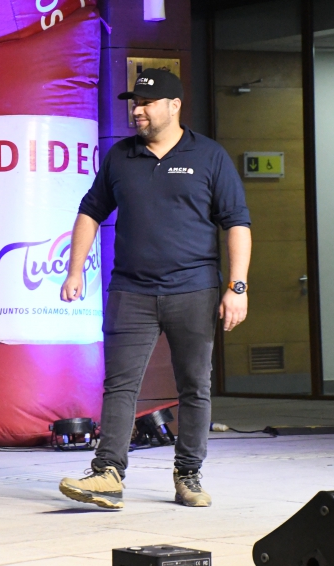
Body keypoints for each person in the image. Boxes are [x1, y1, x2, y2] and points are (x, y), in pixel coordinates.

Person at [57, 68, 252, 509]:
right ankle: (107, 473)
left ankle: (188, 475)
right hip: (131, 290)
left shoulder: (209, 156)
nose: (137, 111)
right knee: (120, 385)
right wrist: (75, 270)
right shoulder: (121, 156)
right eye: (134, 103)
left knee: (194, 386)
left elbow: (237, 222)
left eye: (146, 103)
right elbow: (90, 211)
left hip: (194, 290)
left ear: (174, 106)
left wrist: (237, 286)